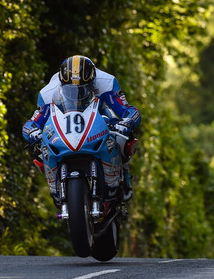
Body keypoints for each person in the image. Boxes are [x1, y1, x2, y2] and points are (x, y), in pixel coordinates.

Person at [22, 55, 140, 201]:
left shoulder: (106, 82)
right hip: (65, 121)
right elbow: (32, 122)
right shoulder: (47, 93)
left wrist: (127, 122)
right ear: (61, 83)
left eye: (83, 87)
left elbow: (128, 110)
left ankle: (122, 176)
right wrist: (32, 131)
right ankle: (55, 187)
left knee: (122, 136)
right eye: (70, 89)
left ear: (92, 81)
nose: (77, 92)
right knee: (40, 148)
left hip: (100, 112)